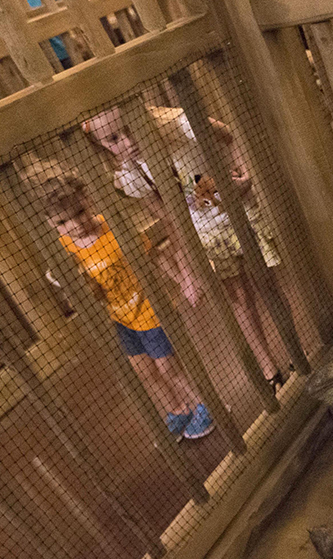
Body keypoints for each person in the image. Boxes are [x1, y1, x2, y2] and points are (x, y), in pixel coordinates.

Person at [84, 106, 290, 389]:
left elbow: (229, 136)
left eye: (131, 128)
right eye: (114, 139)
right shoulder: (130, 176)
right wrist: (187, 269)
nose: (128, 142)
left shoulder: (179, 124)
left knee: (267, 282)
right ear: (101, 146)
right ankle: (269, 369)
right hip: (205, 235)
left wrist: (247, 176)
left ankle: (294, 351)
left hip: (240, 215)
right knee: (239, 296)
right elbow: (170, 218)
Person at [37, 167, 215, 441]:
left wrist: (183, 281)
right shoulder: (65, 248)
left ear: (88, 200)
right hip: (119, 319)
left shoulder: (115, 230)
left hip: (148, 310)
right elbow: (83, 290)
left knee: (169, 367)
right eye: (63, 221)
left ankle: (206, 406)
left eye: (79, 213)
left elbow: (154, 256)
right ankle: (178, 410)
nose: (74, 224)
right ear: (51, 224)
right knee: (144, 372)